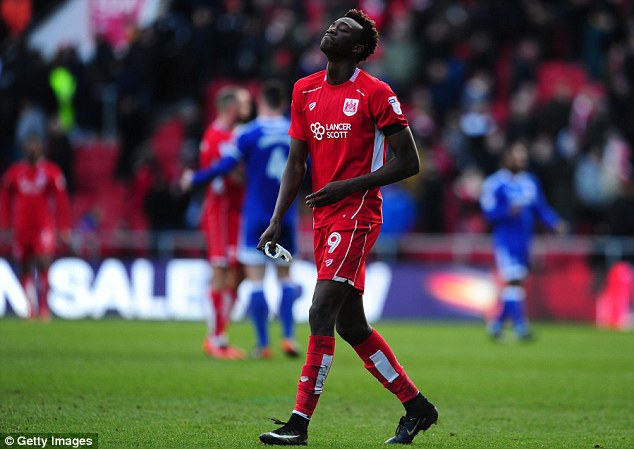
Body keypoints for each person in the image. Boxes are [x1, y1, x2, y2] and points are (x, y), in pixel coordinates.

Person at [256, 9, 438, 446]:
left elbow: (408, 162)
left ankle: (298, 423)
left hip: (357, 213)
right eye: (332, 22)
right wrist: (277, 218)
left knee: (319, 312)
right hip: (322, 215)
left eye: (343, 28)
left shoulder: (376, 93)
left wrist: (347, 185)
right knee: (351, 326)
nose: (331, 27)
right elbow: (296, 162)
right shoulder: (305, 89)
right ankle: (417, 407)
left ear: (357, 48)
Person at [181, 80, 302, 359]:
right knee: (285, 278)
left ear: (261, 104)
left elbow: (224, 166)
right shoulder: (295, 130)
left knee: (255, 280)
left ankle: (262, 344)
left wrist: (194, 179)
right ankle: (288, 337)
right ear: (283, 104)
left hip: (255, 216)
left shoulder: (248, 133)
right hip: (285, 216)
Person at [480, 140, 568, 341]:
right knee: (514, 281)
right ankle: (520, 326)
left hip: (525, 242)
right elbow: (488, 213)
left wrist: (555, 223)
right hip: (505, 241)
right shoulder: (495, 184)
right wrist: (506, 211)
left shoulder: (530, 183)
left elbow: (540, 209)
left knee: (516, 284)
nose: (520, 161)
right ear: (506, 159)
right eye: (516, 157)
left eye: (523, 158)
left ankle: (497, 325)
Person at [194, 85, 252, 359]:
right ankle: (215, 338)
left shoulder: (233, 136)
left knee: (237, 274)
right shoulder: (217, 137)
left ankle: (221, 333)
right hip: (220, 214)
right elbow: (232, 177)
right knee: (221, 272)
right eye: (243, 102)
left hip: (237, 214)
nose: (247, 106)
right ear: (231, 107)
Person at [0, 133, 71, 320]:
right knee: (24, 266)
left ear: (41, 149)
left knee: (44, 262)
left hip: (43, 227)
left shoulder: (51, 171)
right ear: (24, 149)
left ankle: (45, 308)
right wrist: (5, 224)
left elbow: (62, 201)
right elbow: (5, 199)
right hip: (21, 227)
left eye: (35, 146)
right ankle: (30, 308)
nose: (32, 149)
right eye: (29, 146)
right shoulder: (14, 172)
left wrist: (63, 228)